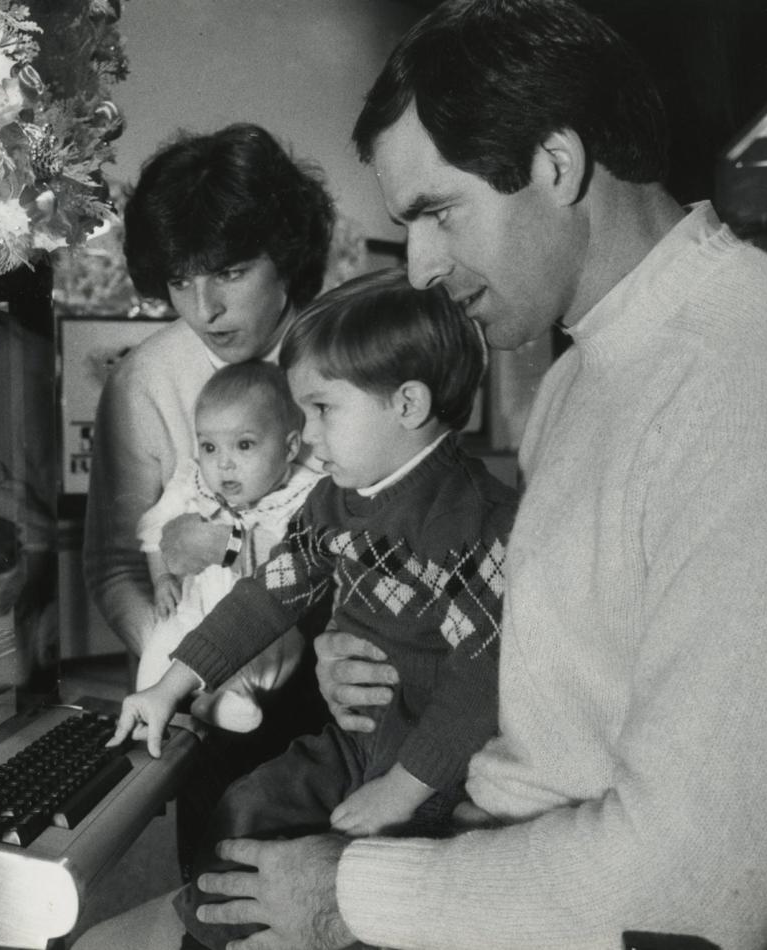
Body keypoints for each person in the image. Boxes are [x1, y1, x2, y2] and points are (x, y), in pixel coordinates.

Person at [75, 2, 767, 948]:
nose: (424, 267)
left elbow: (696, 892)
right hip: (483, 871)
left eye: (439, 214)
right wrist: (346, 646)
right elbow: (543, 670)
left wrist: (350, 898)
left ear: (557, 163)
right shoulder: (580, 381)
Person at [110, 268, 518, 950]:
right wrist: (169, 684)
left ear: (408, 404)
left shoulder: (474, 522)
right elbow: (267, 595)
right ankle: (218, 935)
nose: (304, 434)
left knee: (370, 874)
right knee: (244, 808)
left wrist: (402, 792)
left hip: (437, 767)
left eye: (323, 409)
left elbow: (484, 682)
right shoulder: (333, 501)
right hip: (354, 742)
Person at [81, 122, 336, 879]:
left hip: (352, 699)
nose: (205, 308)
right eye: (180, 281)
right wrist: (179, 664)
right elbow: (112, 562)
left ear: (286, 256)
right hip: (211, 709)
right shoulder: (144, 381)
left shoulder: (352, 352)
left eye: (229, 272)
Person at [136, 360, 322, 733]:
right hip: (196, 604)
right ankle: (151, 700)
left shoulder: (306, 494)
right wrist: (162, 580)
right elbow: (154, 532)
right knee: (164, 636)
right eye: (209, 446)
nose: (223, 464)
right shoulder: (193, 483)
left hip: (264, 617)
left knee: (277, 646)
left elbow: (298, 562)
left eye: (244, 445)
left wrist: (234, 545)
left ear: (289, 447)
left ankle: (230, 695)